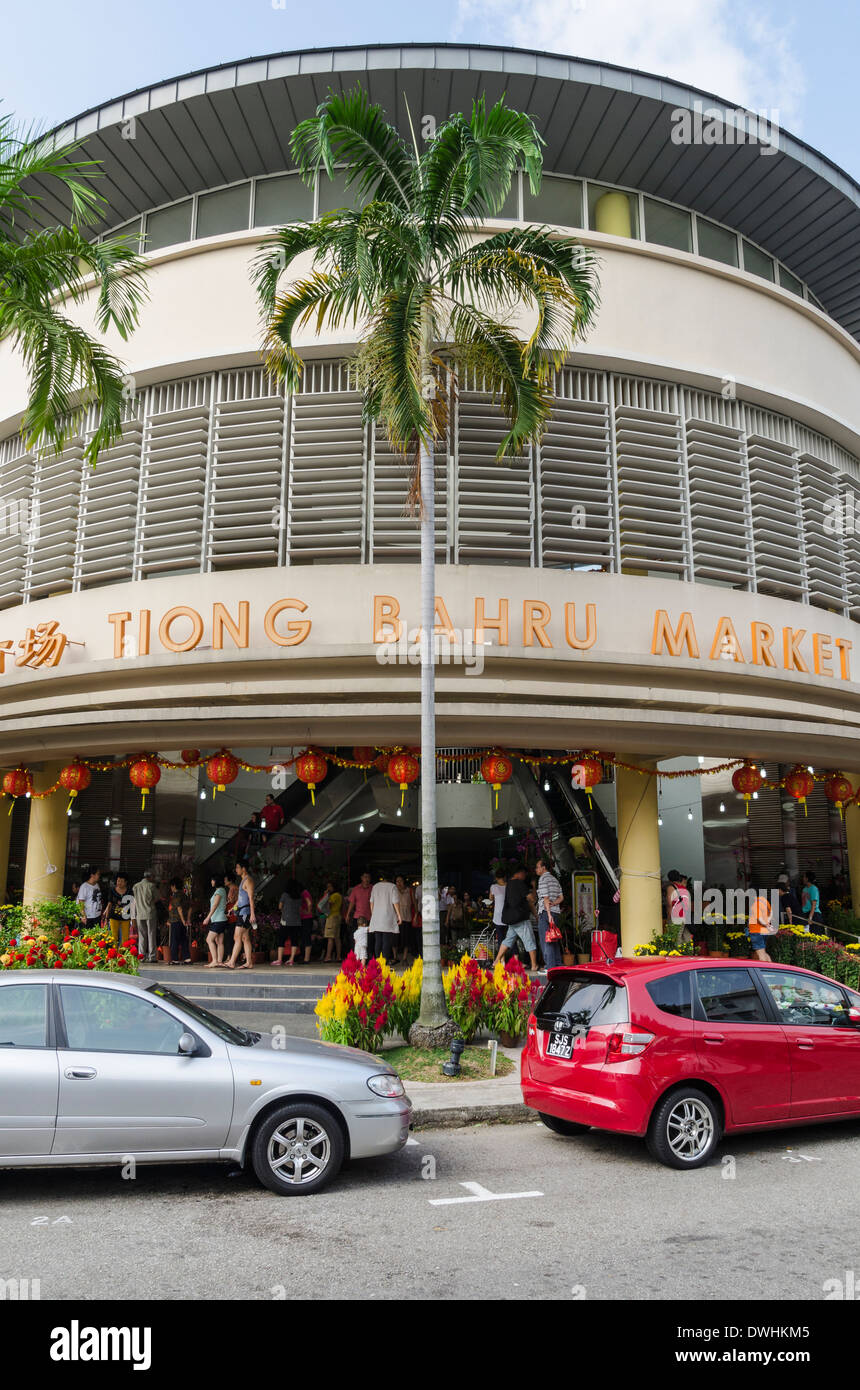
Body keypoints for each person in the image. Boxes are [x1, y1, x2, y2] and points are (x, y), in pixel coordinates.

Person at [494, 864, 539, 972]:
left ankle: (496, 961)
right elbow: (531, 899)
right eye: (524, 874)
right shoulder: (519, 883)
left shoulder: (509, 884)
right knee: (530, 941)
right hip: (520, 918)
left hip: (511, 919)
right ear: (520, 873)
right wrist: (533, 887)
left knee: (508, 940)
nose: (525, 876)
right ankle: (534, 965)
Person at [225, 860, 256, 970]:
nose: (236, 870)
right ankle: (249, 962)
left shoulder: (248, 881)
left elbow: (251, 898)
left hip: (245, 913)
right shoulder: (243, 880)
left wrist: (252, 914)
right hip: (242, 912)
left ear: (244, 868)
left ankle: (232, 961)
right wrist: (232, 909)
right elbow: (241, 899)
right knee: (245, 938)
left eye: (238, 867)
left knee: (237, 937)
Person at [536, 856, 565, 970]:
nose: (536, 869)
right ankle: (557, 965)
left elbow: (546, 898)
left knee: (546, 940)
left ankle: (549, 967)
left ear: (543, 868)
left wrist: (548, 913)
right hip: (556, 913)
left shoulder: (543, 879)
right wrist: (554, 904)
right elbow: (561, 897)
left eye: (538, 867)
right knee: (554, 939)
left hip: (546, 913)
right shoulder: (554, 879)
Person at [369, 871, 402, 963]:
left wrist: (373, 914)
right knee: (386, 940)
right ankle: (384, 961)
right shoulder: (392, 887)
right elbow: (395, 901)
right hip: (388, 916)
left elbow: (371, 901)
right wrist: (399, 915)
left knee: (378, 940)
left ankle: (377, 961)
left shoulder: (375, 886)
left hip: (376, 916)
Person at [201, 873, 228, 967]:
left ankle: (215, 961)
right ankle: (219, 961)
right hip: (221, 919)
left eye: (213, 880)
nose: (211, 882)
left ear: (216, 881)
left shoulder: (219, 891)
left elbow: (215, 905)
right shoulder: (222, 890)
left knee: (209, 939)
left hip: (218, 920)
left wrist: (208, 917)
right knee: (219, 942)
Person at [132, 870, 159, 963]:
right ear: (150, 877)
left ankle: (141, 956)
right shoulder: (151, 886)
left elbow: (134, 901)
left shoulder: (135, 886)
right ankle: (152, 957)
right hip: (150, 913)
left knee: (142, 936)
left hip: (139, 914)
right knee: (151, 934)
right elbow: (157, 898)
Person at [274, 877, 302, 966]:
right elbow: (300, 909)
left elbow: (279, 906)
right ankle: (291, 959)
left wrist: (285, 911)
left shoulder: (285, 895)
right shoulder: (299, 896)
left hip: (285, 921)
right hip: (296, 921)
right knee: (294, 940)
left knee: (281, 939)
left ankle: (279, 960)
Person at [287, 880, 314, 966]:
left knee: (306, 937)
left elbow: (309, 903)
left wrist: (308, 912)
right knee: (304, 937)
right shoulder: (303, 893)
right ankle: (305, 957)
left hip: (306, 918)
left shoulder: (304, 892)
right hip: (302, 918)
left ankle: (307, 958)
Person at [102, 871, 132, 944]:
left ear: (126, 882)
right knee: (113, 937)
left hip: (126, 918)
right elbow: (109, 904)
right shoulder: (112, 891)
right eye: (118, 881)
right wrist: (106, 918)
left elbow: (133, 906)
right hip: (113, 917)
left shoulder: (130, 892)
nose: (119, 883)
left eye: (121, 881)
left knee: (125, 939)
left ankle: (123, 954)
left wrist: (133, 920)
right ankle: (114, 954)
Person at [167, 876, 191, 964]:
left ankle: (175, 959)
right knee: (184, 939)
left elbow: (179, 908)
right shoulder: (185, 895)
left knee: (175, 940)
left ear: (174, 886)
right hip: (182, 922)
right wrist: (187, 920)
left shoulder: (175, 896)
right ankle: (187, 958)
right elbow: (190, 908)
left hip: (176, 921)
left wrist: (182, 920)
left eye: (171, 886)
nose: (171, 888)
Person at [746, 889, 776, 961]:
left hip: (756, 931)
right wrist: (768, 921)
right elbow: (771, 912)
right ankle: (770, 968)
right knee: (764, 952)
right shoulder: (764, 901)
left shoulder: (755, 905)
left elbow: (759, 919)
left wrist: (766, 924)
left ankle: (764, 971)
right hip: (765, 931)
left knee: (760, 954)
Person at [320, 879, 343, 963]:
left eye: (329, 886)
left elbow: (327, 905)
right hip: (338, 916)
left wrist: (325, 895)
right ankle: (338, 956)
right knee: (337, 937)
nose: (328, 888)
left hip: (332, 916)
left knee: (330, 937)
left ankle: (328, 956)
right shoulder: (339, 895)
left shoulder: (333, 896)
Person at [666, 870, 692, 941]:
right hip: (683, 916)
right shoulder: (684, 889)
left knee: (675, 938)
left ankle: (678, 951)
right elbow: (688, 905)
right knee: (682, 936)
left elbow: (669, 904)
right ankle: (686, 951)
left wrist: (668, 917)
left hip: (675, 916)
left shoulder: (671, 888)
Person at [345, 871, 373, 936]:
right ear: (361, 878)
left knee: (369, 938)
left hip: (370, 917)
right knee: (357, 936)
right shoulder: (356, 889)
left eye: (368, 877)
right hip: (358, 917)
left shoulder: (373, 888)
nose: (367, 879)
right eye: (365, 877)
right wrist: (348, 915)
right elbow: (352, 902)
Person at [76, 866, 103, 931]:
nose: (99, 876)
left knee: (96, 937)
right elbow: (80, 903)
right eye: (98, 874)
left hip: (97, 916)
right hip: (88, 917)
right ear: (92, 875)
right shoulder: (84, 887)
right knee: (86, 938)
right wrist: (83, 916)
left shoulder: (97, 885)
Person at [394, 875, 414, 962]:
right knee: (395, 939)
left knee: (406, 940)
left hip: (407, 918)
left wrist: (416, 915)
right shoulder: (393, 891)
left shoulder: (409, 891)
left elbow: (414, 903)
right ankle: (395, 957)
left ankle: (405, 958)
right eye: (397, 881)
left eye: (400, 881)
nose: (398, 883)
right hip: (395, 919)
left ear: (404, 882)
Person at [489, 869, 508, 952]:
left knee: (500, 938)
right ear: (505, 877)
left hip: (497, 917)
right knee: (510, 938)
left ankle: (502, 960)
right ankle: (515, 958)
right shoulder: (509, 886)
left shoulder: (493, 887)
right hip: (508, 916)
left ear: (496, 877)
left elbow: (491, 898)